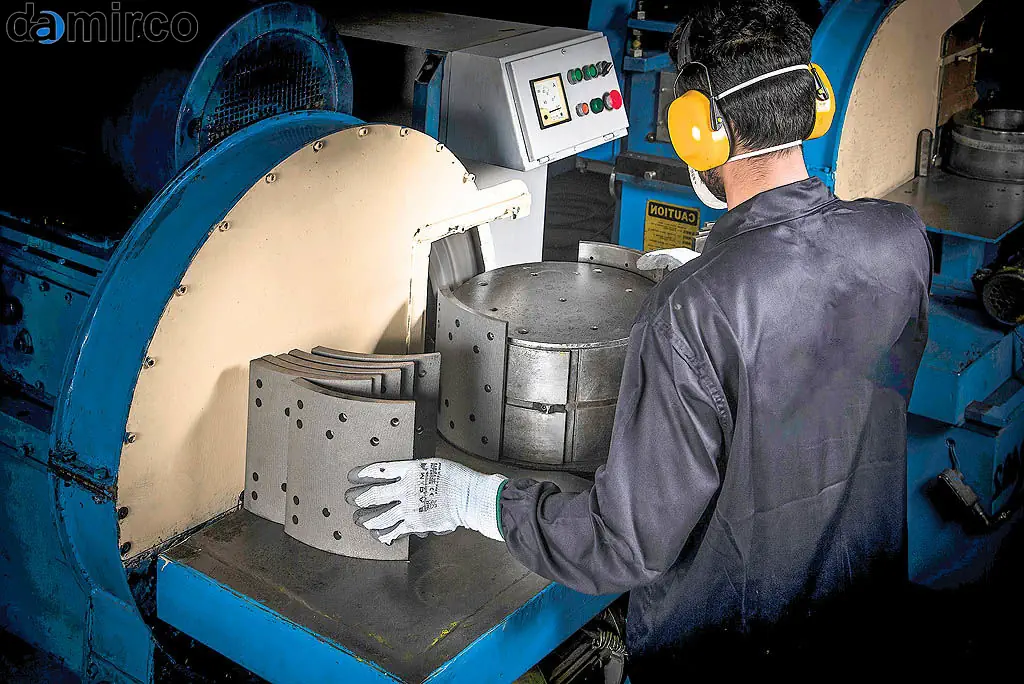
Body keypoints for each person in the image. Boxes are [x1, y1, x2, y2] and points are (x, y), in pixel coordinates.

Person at [346, 0, 931, 675]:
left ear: (697, 129)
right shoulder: (900, 239)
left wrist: (474, 499)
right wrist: (726, 266)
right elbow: (839, 372)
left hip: (728, 647)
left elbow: (623, 547)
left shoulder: (691, 312)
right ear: (813, 100)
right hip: (865, 622)